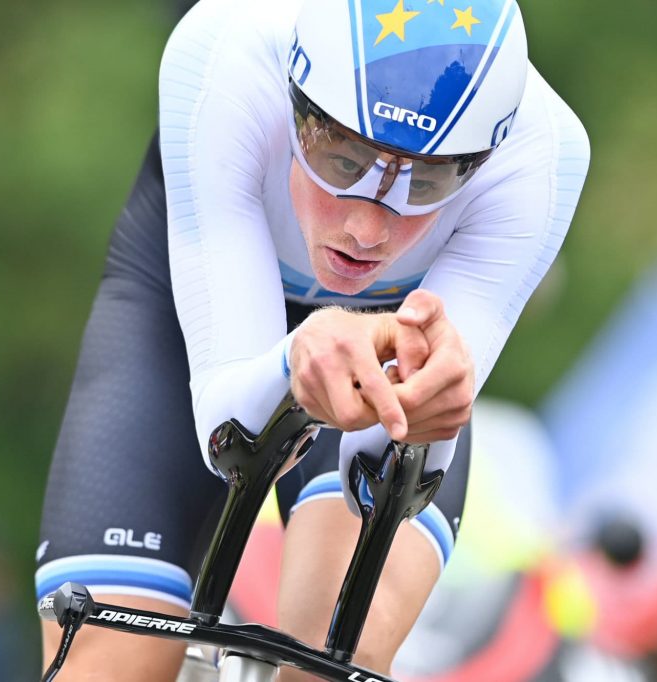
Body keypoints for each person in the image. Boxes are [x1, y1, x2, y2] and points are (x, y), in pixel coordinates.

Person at [34, 0, 590, 679]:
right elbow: (231, 427)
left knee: (338, 648)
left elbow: (392, 465)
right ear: (297, 101)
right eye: (344, 159)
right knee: (107, 662)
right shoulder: (227, 47)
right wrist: (298, 354)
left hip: (384, 335)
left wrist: (424, 415)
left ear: (480, 160)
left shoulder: (541, 152)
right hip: (178, 316)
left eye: (427, 180)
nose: (367, 230)